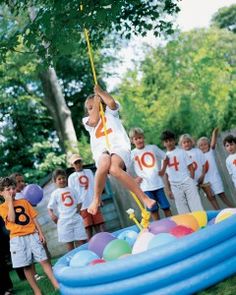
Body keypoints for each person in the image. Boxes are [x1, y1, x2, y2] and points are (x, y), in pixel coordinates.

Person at [82, 84, 155, 215]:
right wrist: (96, 103)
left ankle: (144, 198)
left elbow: (111, 102)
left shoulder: (111, 114)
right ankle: (96, 198)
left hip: (119, 146)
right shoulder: (87, 120)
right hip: (101, 150)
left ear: (102, 105)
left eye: (96, 106)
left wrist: (101, 92)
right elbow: (93, 120)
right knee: (104, 163)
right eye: (90, 108)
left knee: (114, 169)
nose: (93, 109)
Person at [0, 177, 59, 295]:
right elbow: (11, 218)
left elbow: (34, 219)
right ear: (1, 192)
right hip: (17, 240)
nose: (11, 191)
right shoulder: (2, 208)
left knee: (44, 261)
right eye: (7, 189)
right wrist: (10, 202)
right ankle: (37, 291)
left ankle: (57, 285)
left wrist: (40, 233)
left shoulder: (24, 202)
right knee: (26, 267)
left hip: (32, 235)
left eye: (12, 188)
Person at [129, 127, 172, 220]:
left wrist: (163, 170)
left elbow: (166, 158)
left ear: (143, 137)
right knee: (153, 210)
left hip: (158, 184)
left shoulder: (152, 148)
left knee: (166, 207)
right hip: (145, 187)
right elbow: (125, 167)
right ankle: (158, 228)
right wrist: (133, 179)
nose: (139, 140)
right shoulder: (132, 153)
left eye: (140, 137)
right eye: (136, 139)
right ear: (132, 141)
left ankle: (172, 224)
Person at [160, 130, 204, 214]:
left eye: (170, 140)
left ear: (174, 140)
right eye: (166, 141)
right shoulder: (164, 157)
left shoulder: (182, 152)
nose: (169, 143)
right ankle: (189, 225)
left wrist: (191, 180)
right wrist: (168, 189)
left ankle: (202, 221)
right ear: (163, 143)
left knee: (196, 204)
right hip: (175, 185)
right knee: (181, 208)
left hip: (187, 181)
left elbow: (191, 168)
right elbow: (165, 175)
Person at [47, 168, 87, 251]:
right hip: (64, 221)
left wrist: (77, 211)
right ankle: (72, 259)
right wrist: (52, 215)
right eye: (59, 179)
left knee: (81, 240)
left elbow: (79, 202)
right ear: (55, 182)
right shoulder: (55, 193)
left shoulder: (72, 190)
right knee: (69, 243)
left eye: (63, 178)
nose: (62, 180)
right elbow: (49, 207)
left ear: (66, 178)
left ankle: (84, 255)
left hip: (75, 218)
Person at [68, 154, 105, 239]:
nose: (78, 164)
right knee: (88, 228)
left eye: (79, 162)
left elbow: (95, 185)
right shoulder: (71, 177)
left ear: (82, 162)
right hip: (82, 206)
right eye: (75, 163)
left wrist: (99, 198)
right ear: (72, 165)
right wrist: (75, 208)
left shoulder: (88, 172)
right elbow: (72, 194)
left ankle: (103, 242)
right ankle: (91, 247)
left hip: (93, 202)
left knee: (100, 225)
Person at [197, 128, 234, 208]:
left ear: (208, 145)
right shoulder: (198, 156)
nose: (203, 146)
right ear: (198, 147)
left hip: (215, 179)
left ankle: (234, 209)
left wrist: (214, 132)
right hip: (206, 181)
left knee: (223, 197)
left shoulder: (210, 151)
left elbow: (213, 143)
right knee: (212, 199)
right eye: (201, 145)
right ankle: (218, 215)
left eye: (205, 144)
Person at [179, 133, 217, 209]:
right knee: (195, 200)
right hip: (191, 180)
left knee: (211, 196)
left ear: (191, 142)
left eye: (188, 142)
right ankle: (200, 216)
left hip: (202, 178)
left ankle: (218, 211)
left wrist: (202, 175)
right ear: (181, 144)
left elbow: (204, 164)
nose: (186, 144)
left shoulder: (197, 151)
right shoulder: (181, 154)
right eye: (184, 142)